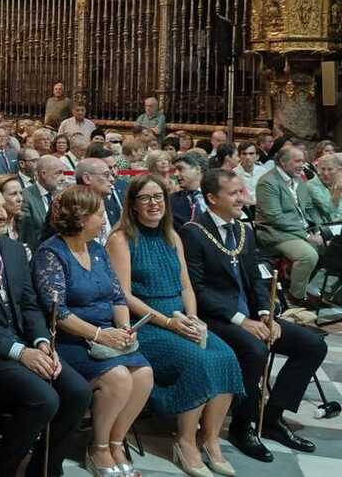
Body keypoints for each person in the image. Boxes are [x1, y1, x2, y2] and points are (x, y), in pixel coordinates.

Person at [0, 183, 92, 477]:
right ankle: (2, 469)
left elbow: (29, 304)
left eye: (3, 206)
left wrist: (40, 341)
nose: (4, 214)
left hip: (24, 343)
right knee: (43, 398)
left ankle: (44, 469)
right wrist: (20, 352)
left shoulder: (13, 250)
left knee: (78, 392)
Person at [183, 170, 327, 463]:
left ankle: (272, 418)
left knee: (313, 345)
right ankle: (242, 425)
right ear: (212, 198)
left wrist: (265, 313)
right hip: (217, 319)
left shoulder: (244, 229)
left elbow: (257, 278)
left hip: (251, 315)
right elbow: (197, 290)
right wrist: (241, 320)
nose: (243, 198)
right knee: (254, 350)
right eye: (234, 193)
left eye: (241, 191)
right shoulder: (193, 232)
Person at [106, 175, 243, 477]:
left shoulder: (173, 235)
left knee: (227, 357)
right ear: (133, 204)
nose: (154, 203)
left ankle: (210, 440)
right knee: (199, 362)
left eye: (159, 197)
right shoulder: (121, 239)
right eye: (146, 198)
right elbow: (124, 296)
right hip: (147, 322)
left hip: (180, 317)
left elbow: (186, 288)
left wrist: (192, 318)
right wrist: (168, 321)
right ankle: (185, 442)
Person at [33, 186, 152, 477]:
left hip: (107, 335)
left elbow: (117, 297)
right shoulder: (50, 253)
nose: (104, 219)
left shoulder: (97, 249)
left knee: (144, 375)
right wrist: (99, 335)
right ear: (81, 218)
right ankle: (97, 448)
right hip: (71, 340)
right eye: (99, 214)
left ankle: (115, 442)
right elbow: (57, 313)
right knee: (119, 378)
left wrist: (124, 326)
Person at [254, 146, 322, 307]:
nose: (302, 165)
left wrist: (318, 228)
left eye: (303, 161)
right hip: (274, 231)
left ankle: (302, 285)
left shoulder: (299, 179)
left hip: (300, 229)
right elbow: (275, 218)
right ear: (283, 163)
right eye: (298, 161)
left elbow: (310, 207)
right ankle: (296, 296)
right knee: (308, 255)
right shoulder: (268, 182)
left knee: (331, 246)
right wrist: (306, 236)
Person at [18, 154, 65, 250]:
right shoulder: (25, 197)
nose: (63, 178)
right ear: (43, 174)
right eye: (58, 173)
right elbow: (26, 235)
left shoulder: (62, 196)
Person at [170, 152, 209, 230]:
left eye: (180, 169)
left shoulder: (217, 195)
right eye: (175, 170)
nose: (176, 174)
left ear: (197, 169)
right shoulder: (170, 200)